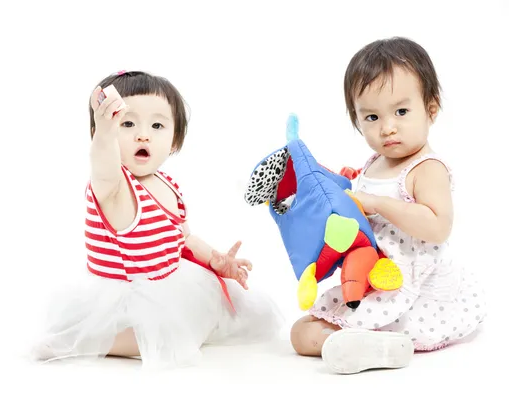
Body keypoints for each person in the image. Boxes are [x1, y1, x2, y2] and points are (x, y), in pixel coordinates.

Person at [31, 70, 283, 368]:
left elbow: (183, 237)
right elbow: (103, 165)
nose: (143, 134)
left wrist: (216, 260)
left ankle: (143, 331)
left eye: (157, 125)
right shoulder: (113, 185)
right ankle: (83, 340)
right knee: (165, 337)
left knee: (213, 314)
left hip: (169, 281)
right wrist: (104, 133)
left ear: (174, 140)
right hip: (124, 294)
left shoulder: (167, 184)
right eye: (127, 123)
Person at [289, 37, 486, 374]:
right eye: (371, 117)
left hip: (413, 290)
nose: (387, 127)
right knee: (301, 334)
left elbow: (438, 226)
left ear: (431, 110)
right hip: (371, 280)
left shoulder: (426, 168)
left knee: (306, 333)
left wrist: (378, 203)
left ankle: (373, 340)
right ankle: (366, 345)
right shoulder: (374, 163)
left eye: (401, 111)